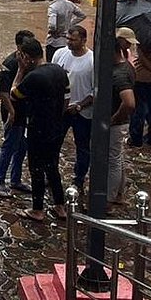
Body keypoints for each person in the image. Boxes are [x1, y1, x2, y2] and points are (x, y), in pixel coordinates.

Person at [12, 37, 69, 223]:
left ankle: (37, 210)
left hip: (37, 128)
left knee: (36, 168)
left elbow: (15, 94)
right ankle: (60, 206)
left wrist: (20, 70)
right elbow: (67, 96)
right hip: (56, 126)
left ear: (27, 57)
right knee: (52, 166)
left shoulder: (33, 77)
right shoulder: (59, 70)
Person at [52, 25, 95, 190]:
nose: (69, 42)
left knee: (83, 147)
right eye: (68, 39)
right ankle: (52, 173)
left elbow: (95, 90)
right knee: (54, 143)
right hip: (61, 109)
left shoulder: (92, 61)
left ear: (84, 40)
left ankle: (79, 179)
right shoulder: (60, 54)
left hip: (83, 112)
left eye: (73, 40)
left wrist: (79, 105)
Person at [0, 30, 36, 196]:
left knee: (22, 146)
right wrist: (11, 112)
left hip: (25, 110)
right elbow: (1, 90)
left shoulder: (27, 62)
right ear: (18, 46)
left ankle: (15, 179)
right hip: (14, 111)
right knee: (10, 145)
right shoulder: (11, 63)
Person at [108, 28, 138, 208]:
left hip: (116, 123)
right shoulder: (127, 66)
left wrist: (115, 118)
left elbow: (129, 103)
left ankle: (107, 200)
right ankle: (119, 194)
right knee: (117, 158)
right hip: (120, 123)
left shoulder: (119, 74)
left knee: (112, 161)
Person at [127, 33, 151, 148]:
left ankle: (136, 139)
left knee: (139, 109)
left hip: (142, 77)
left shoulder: (145, 36)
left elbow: (142, 58)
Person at [46, 0, 86, 64]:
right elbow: (82, 15)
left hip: (54, 42)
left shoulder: (53, 7)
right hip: (66, 41)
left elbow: (52, 26)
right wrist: (70, 24)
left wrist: (54, 31)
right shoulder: (69, 4)